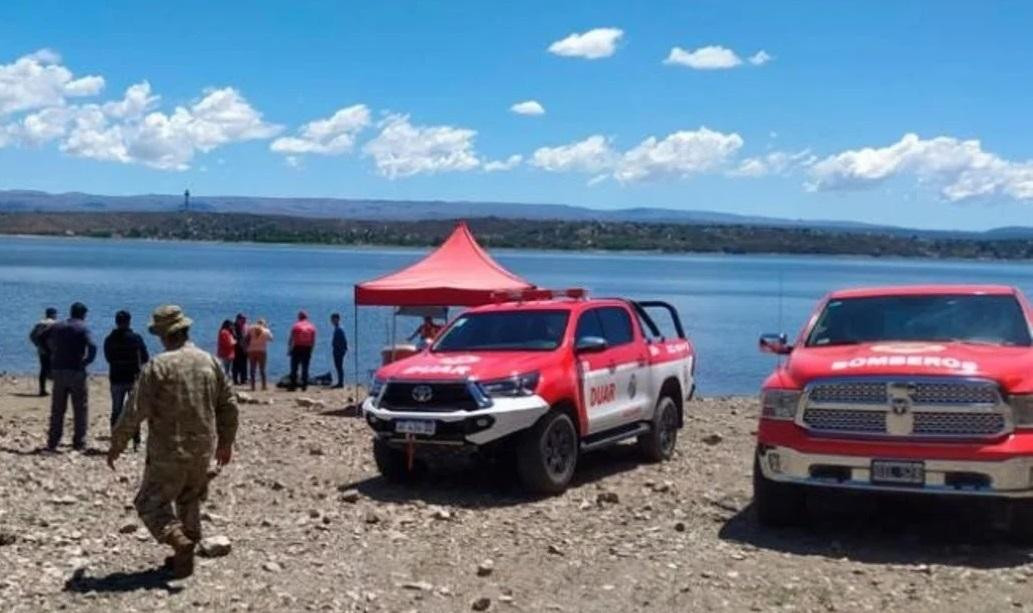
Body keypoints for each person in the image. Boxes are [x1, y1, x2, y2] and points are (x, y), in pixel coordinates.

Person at [107, 305, 238, 579]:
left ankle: (178, 540)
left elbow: (134, 409)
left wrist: (117, 444)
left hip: (168, 449)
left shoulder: (158, 366)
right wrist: (226, 443)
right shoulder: (209, 361)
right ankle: (184, 562)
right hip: (202, 448)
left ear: (165, 335)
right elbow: (228, 404)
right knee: (189, 499)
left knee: (149, 502)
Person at [46, 302, 97, 451]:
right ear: (83, 314)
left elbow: (43, 339)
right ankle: (79, 442)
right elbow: (92, 346)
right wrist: (87, 361)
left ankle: (53, 441)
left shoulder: (58, 326)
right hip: (76, 370)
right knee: (80, 408)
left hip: (59, 369)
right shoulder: (83, 327)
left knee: (57, 408)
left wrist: (51, 353)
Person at [103, 310, 150, 451]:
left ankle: (115, 440)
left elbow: (108, 358)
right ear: (129, 321)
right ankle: (136, 441)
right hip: (133, 377)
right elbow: (145, 357)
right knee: (134, 411)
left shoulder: (109, 339)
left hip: (116, 377)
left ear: (116, 322)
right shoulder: (136, 338)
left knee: (116, 410)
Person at [29, 307, 58, 396]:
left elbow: (32, 336)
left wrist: (38, 345)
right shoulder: (55, 324)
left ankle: (42, 389)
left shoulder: (39, 324)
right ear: (53, 314)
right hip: (53, 350)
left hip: (42, 350)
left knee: (43, 369)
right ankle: (57, 389)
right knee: (56, 369)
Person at [288, 311, 316, 391]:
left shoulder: (296, 326)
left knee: (294, 367)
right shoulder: (311, 327)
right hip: (307, 348)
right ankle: (304, 386)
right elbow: (313, 341)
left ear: (299, 317)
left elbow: (291, 339)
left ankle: (293, 385)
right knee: (305, 368)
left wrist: (289, 350)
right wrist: (311, 351)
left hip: (297, 347)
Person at [247, 318, 273, 391]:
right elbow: (271, 339)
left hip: (251, 350)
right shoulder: (266, 331)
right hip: (262, 351)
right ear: (264, 324)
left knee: (252, 369)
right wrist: (267, 329)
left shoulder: (251, 328)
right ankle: (263, 386)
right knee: (262, 369)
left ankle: (253, 386)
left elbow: (246, 337)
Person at [330, 313, 348, 389]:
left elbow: (344, 341)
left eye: (333, 319)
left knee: (339, 367)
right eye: (331, 320)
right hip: (338, 350)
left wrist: (342, 350)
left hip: (339, 351)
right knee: (338, 367)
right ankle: (340, 382)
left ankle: (340, 383)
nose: (332, 321)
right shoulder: (338, 328)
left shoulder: (339, 329)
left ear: (337, 319)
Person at [231, 314, 249, 385]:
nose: (244, 321)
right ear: (238, 319)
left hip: (243, 348)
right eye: (243, 319)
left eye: (245, 319)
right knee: (236, 364)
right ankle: (235, 380)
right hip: (237, 348)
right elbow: (236, 337)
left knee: (244, 364)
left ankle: (243, 379)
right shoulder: (234, 327)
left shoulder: (245, 326)